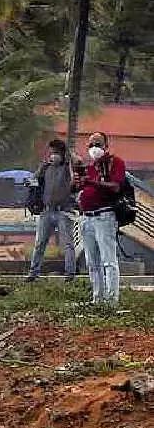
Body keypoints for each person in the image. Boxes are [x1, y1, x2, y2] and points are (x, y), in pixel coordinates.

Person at [75, 131, 126, 305]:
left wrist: (91, 182)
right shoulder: (90, 167)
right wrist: (78, 183)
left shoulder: (115, 163)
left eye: (97, 144)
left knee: (108, 261)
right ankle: (97, 298)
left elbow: (116, 186)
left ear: (106, 146)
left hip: (104, 216)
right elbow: (79, 188)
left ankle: (111, 301)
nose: (94, 148)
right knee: (92, 262)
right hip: (86, 217)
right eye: (91, 145)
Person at [28, 138, 77, 281]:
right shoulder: (46, 168)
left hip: (64, 211)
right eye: (51, 152)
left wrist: (68, 155)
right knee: (40, 243)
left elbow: (77, 164)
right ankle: (33, 273)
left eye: (56, 152)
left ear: (62, 153)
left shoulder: (68, 167)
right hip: (47, 211)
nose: (53, 155)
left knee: (67, 244)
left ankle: (70, 274)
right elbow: (34, 181)